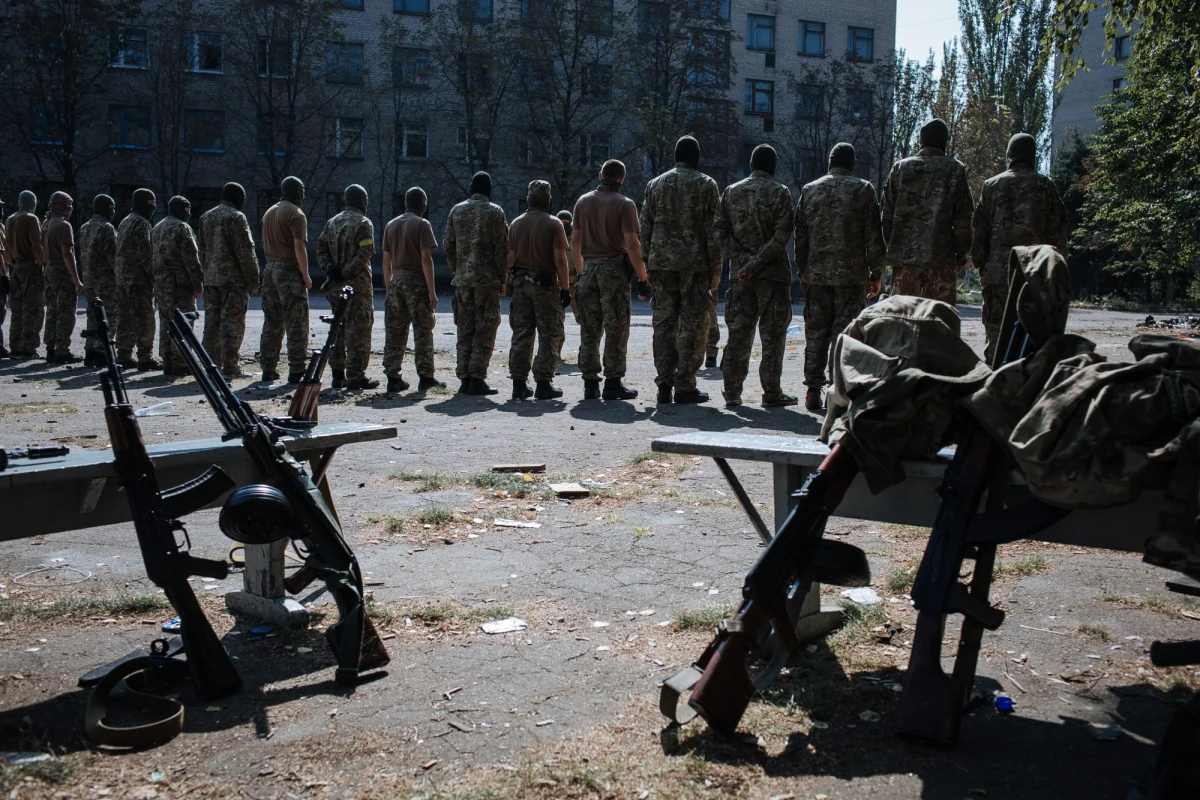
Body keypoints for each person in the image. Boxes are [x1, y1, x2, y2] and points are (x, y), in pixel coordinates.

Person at [795, 143, 886, 411]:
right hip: (852, 276)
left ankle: (813, 389)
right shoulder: (863, 190)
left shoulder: (810, 190)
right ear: (852, 163)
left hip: (817, 275)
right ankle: (841, 389)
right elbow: (873, 236)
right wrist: (876, 273)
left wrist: (803, 271)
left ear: (830, 162)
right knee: (845, 334)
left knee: (816, 333)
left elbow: (801, 237)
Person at [972, 132, 1069, 363]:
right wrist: (1057, 272)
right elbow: (1058, 233)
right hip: (1033, 275)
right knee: (1032, 333)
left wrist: (982, 268)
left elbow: (980, 233)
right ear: (1032, 156)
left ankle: (995, 384)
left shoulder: (991, 186)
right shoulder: (1045, 186)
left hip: (998, 274)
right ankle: (1026, 384)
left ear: (1010, 155)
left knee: (995, 333)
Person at [712, 144, 796, 408]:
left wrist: (740, 260)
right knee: (773, 335)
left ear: (751, 164)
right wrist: (758, 261)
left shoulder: (731, 192)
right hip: (773, 275)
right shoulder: (780, 192)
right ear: (773, 167)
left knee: (739, 332)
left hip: (741, 276)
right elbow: (782, 235)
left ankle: (732, 393)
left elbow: (718, 231)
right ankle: (771, 392)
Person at [641, 135, 722, 404]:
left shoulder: (655, 185)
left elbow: (645, 227)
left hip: (662, 265)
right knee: (694, 326)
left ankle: (664, 383)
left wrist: (647, 262)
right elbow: (713, 232)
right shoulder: (706, 185)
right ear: (696, 157)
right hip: (695, 266)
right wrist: (716, 268)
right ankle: (685, 384)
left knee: (664, 325)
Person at [571, 159, 649, 400]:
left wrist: (581, 270)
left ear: (600, 175)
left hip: (589, 270)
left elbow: (574, 242)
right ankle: (613, 383)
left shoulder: (583, 202)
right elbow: (632, 244)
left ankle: (590, 383)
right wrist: (643, 277)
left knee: (590, 328)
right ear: (621, 179)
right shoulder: (625, 204)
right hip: (613, 271)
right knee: (616, 328)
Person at [881, 118, 973, 305]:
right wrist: (961, 255)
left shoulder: (900, 168)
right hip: (941, 259)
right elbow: (964, 219)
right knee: (940, 323)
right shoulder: (955, 169)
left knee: (902, 321)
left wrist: (892, 249)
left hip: (905, 260)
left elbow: (886, 216)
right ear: (944, 142)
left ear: (921, 141)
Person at [444, 171, 508, 396]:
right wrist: (503, 277)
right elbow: (502, 248)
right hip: (487, 281)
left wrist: (457, 268)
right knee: (485, 328)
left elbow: (448, 245)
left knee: (465, 328)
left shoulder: (457, 211)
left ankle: (464, 378)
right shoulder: (495, 212)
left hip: (462, 280)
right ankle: (477, 377)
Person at [507, 180, 570, 401]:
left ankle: (518, 383)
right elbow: (560, 259)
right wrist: (565, 287)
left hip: (520, 285)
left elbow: (510, 258)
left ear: (528, 199)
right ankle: (543, 382)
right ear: (549, 200)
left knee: (522, 333)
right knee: (550, 333)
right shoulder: (554, 224)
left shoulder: (515, 224)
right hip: (545, 285)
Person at [382, 187, 444, 394]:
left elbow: (385, 260)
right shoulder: (422, 224)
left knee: (395, 331)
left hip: (396, 283)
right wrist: (431, 290)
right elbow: (426, 259)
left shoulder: (391, 225)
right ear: (422, 204)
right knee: (423, 330)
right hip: (416, 282)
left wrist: (389, 286)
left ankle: (393, 377)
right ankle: (425, 377)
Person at [318, 184, 378, 391]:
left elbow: (321, 249)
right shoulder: (363, 223)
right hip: (357, 286)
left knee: (337, 330)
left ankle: (337, 375)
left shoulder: (332, 222)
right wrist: (346, 271)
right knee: (359, 330)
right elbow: (366, 252)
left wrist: (331, 269)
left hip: (335, 287)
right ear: (362, 200)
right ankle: (355, 376)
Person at [199, 182, 260, 378]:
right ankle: (231, 366)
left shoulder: (205, 217)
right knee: (232, 324)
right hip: (233, 282)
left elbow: (201, 249)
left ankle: (210, 365)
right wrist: (254, 279)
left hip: (211, 279)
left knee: (212, 324)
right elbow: (245, 251)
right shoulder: (236, 218)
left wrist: (205, 274)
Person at [259, 176, 312, 384]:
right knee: (296, 321)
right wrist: (305, 274)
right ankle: (297, 369)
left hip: (269, 269)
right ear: (297, 192)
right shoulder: (296, 214)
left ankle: (268, 368)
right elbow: (299, 246)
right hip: (288, 270)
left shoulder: (269, 212)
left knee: (272, 321)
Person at [151, 196, 203, 375]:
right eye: (187, 208)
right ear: (182, 209)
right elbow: (191, 259)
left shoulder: (157, 227)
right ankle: (181, 362)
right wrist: (198, 284)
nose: (189, 212)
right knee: (183, 321)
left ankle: (167, 361)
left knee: (166, 321)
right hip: (180, 284)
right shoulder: (182, 227)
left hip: (162, 282)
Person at [115, 189, 158, 369]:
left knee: (125, 318)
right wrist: (154, 279)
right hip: (139, 280)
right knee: (144, 319)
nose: (154, 207)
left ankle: (124, 354)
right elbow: (145, 254)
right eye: (152, 203)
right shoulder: (141, 223)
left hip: (123, 278)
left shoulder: (125, 221)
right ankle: (144, 357)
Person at [42, 191, 84, 363]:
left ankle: (51, 348)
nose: (71, 208)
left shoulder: (46, 223)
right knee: (66, 311)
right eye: (69, 204)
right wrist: (76, 279)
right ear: (61, 206)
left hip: (49, 269)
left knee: (52, 310)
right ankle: (62, 350)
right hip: (61, 270)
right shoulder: (63, 226)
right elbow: (68, 254)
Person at [78, 194, 119, 368]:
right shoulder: (107, 228)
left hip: (89, 278)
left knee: (92, 316)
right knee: (108, 316)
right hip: (106, 281)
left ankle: (90, 353)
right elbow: (113, 256)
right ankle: (103, 354)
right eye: (112, 207)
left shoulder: (85, 227)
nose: (114, 211)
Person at [5, 192, 45, 359]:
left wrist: (11, 264)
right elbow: (36, 245)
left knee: (16, 309)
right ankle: (29, 347)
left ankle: (15, 346)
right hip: (30, 266)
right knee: (33, 308)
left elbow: (7, 246)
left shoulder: (10, 219)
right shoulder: (31, 219)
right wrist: (44, 263)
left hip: (15, 266)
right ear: (33, 203)